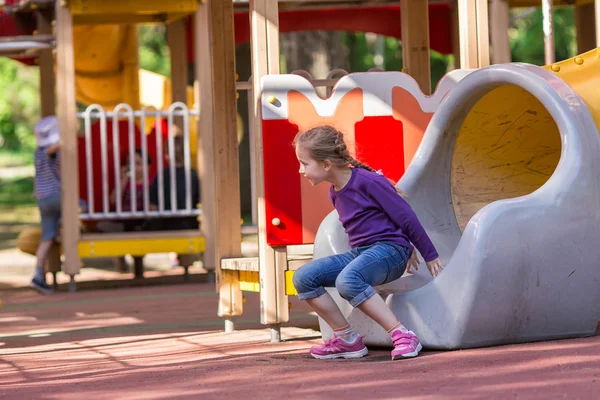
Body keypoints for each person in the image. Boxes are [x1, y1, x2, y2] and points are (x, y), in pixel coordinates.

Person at [292, 125, 444, 360]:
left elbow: (406, 216)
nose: (301, 170)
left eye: (304, 163)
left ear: (325, 164)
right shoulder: (335, 191)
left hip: (391, 251)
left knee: (348, 280)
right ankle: (347, 339)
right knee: (304, 277)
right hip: (365, 253)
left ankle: (403, 335)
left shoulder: (368, 182)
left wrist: (428, 254)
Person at [30, 116, 62, 294]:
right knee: (80, 205)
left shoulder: (37, 152)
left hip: (42, 199)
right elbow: (53, 149)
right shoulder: (50, 151)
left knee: (47, 237)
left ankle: (38, 274)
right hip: (55, 196)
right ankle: (68, 231)